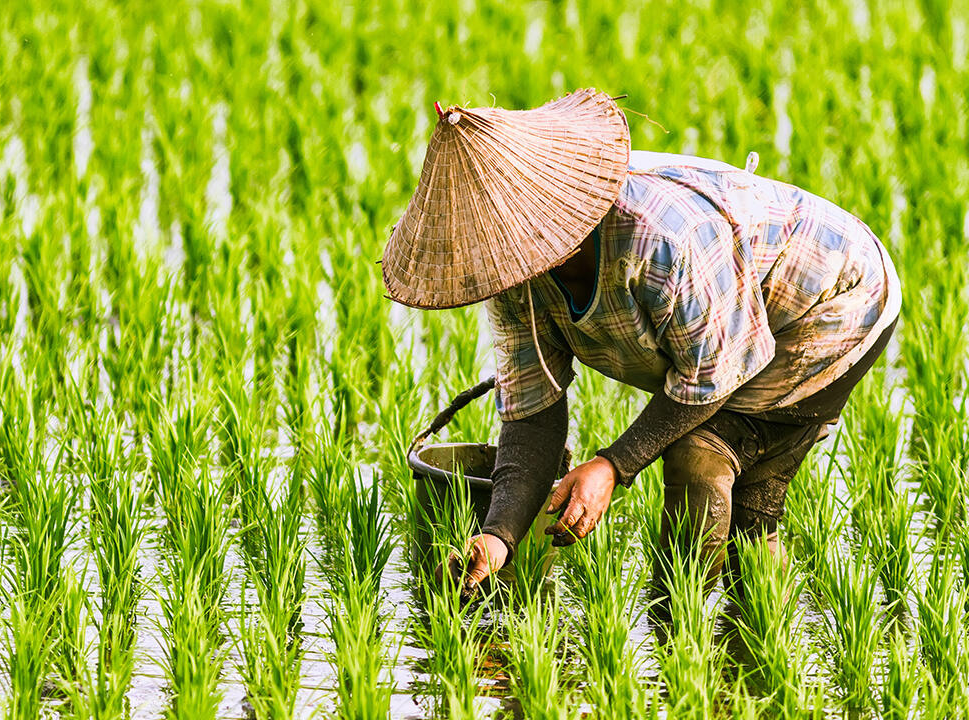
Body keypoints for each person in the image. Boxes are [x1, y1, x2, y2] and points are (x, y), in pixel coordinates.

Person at [381, 89, 901, 600]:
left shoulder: (660, 242)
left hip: (836, 299)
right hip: (741, 321)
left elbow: (709, 375)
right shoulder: (516, 279)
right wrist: (499, 537)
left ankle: (681, 635)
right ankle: (734, 651)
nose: (504, 261)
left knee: (701, 456)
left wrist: (611, 465)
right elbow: (533, 416)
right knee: (745, 509)